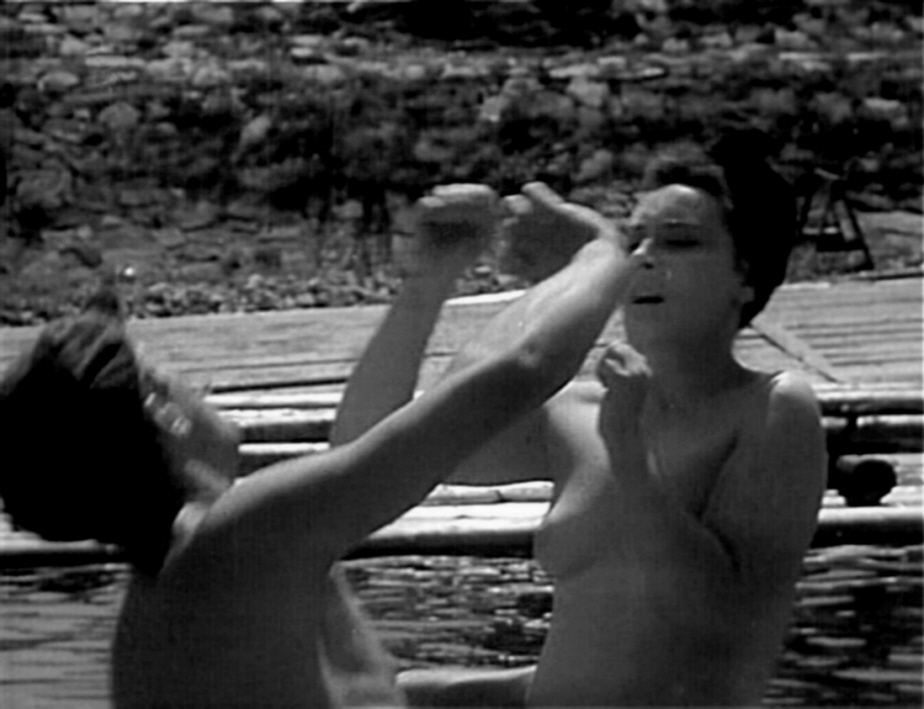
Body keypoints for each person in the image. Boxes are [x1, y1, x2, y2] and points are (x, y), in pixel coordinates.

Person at [0, 184, 643, 708]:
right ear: (160, 410)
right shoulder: (241, 536)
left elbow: (361, 695)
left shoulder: (177, 592)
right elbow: (517, 372)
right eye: (183, 378)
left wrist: (529, 690)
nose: (206, 389)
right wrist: (602, 253)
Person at [336, 135, 828, 707]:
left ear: (746, 275)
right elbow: (368, 454)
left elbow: (718, 620)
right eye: (632, 242)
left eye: (679, 242)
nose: (642, 259)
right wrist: (428, 284)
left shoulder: (771, 408)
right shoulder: (576, 412)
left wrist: (628, 456)